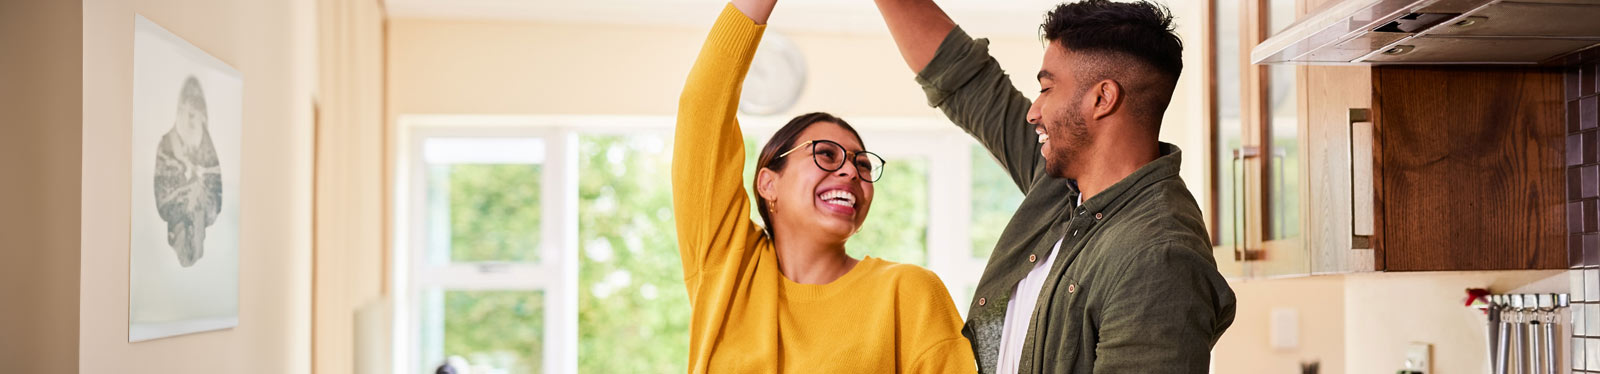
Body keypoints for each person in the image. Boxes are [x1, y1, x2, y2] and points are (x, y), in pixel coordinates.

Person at [869, 0, 1237, 372]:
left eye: (1047, 88)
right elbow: (965, 81)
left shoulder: (1159, 257)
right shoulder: (1061, 187)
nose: (1034, 110)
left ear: (1102, 99)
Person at [672, 0, 978, 372]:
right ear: (769, 182)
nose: (851, 172)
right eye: (827, 155)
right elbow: (701, 110)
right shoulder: (728, 269)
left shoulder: (907, 292)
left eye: (862, 164)